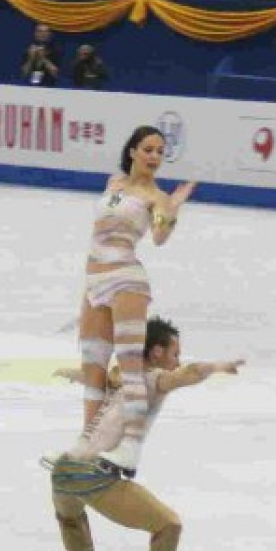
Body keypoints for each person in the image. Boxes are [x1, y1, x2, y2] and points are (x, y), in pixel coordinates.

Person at [48, 316, 245, 551]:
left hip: (63, 471)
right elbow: (186, 374)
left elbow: (100, 378)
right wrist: (216, 366)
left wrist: (78, 375)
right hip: (90, 474)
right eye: (174, 353)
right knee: (168, 525)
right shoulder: (152, 379)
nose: (177, 360)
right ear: (157, 352)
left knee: (71, 522)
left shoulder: (121, 376)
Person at [70, 126, 196, 477]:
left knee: (130, 369)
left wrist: (172, 210)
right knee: (93, 367)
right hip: (94, 280)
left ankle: (130, 448)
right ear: (133, 152)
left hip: (127, 279)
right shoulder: (114, 182)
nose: (155, 156)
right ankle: (88, 443)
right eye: (149, 149)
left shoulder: (157, 197)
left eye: (160, 151)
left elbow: (159, 238)